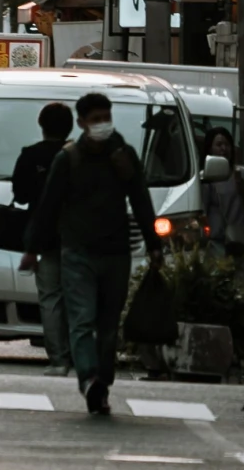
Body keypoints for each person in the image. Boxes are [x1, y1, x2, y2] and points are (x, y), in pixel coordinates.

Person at [26, 91, 162, 416]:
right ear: (81, 123)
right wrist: (33, 248)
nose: (102, 124)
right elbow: (48, 207)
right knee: (82, 319)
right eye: (96, 119)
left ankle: (102, 381)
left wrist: (154, 244)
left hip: (116, 252)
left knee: (109, 324)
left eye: (106, 118)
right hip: (78, 253)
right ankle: (89, 380)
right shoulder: (68, 158)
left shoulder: (123, 155)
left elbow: (141, 200)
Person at [12, 102, 74, 375]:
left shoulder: (30, 155)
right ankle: (79, 353)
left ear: (42, 125)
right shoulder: (78, 156)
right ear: (71, 127)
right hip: (79, 238)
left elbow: (22, 195)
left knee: (50, 298)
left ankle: (58, 358)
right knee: (79, 297)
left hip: (46, 238)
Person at [203, 126, 244, 280]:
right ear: (209, 149)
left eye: (227, 144)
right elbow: (202, 210)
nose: (224, 149)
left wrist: (241, 186)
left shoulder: (241, 173)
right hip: (217, 243)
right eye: (219, 145)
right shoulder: (206, 177)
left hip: (240, 240)